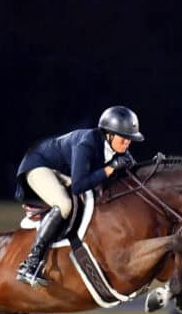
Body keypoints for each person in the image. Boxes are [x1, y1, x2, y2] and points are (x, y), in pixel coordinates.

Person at [14, 105, 144, 286]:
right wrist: (110, 169)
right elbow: (79, 186)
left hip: (64, 172)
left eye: (130, 140)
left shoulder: (119, 149)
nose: (127, 144)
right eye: (124, 139)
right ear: (109, 134)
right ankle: (31, 263)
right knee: (64, 204)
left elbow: (133, 177)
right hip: (39, 165)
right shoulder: (87, 143)